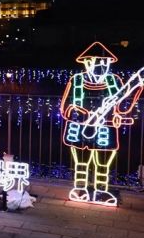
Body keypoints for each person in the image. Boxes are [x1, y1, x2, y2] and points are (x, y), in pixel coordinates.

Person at [60, 42, 143, 206]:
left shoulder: (114, 82)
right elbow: (65, 108)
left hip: (105, 130)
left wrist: (130, 100)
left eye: (104, 62)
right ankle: (81, 188)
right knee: (81, 161)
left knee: (103, 162)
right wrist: (81, 113)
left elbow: (122, 107)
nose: (99, 66)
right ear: (86, 62)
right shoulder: (76, 81)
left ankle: (102, 190)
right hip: (80, 129)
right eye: (95, 62)